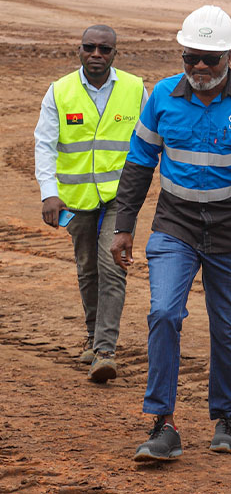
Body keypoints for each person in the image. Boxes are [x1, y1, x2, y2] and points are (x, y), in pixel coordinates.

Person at [111, 5, 231, 461]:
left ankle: (227, 419)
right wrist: (124, 225)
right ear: (182, 55)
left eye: (211, 59)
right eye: (192, 58)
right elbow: (139, 163)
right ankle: (163, 423)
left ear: (230, 56)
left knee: (228, 327)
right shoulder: (163, 96)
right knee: (164, 314)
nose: (201, 68)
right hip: (175, 224)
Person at [34, 24, 146, 383]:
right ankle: (93, 335)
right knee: (87, 269)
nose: (96, 54)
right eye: (89, 47)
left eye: (104, 49)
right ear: (78, 51)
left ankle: (105, 351)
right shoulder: (59, 91)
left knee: (112, 267)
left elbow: (149, 141)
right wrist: (48, 192)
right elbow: (45, 145)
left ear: (115, 54)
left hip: (119, 197)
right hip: (75, 197)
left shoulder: (135, 89)